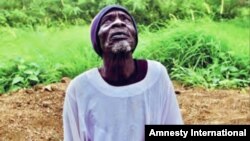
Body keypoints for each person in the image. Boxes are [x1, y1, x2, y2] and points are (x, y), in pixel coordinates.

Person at [63, 5, 183, 141]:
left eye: (126, 20)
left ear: (134, 36)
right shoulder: (79, 89)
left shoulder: (157, 75)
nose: (118, 22)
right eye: (107, 21)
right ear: (97, 40)